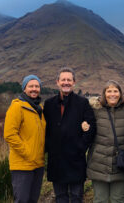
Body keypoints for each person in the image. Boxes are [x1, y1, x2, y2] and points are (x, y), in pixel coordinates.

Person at [44, 67, 96, 203]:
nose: (66, 82)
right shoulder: (49, 104)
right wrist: (49, 147)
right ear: (57, 82)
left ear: (74, 82)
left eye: (69, 80)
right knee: (60, 197)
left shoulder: (82, 103)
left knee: (76, 197)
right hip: (56, 160)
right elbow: (44, 130)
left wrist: (80, 147)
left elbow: (91, 128)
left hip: (76, 160)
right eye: (63, 80)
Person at [85, 80, 124, 203]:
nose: (112, 94)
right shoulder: (95, 110)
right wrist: (83, 125)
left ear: (120, 94)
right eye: (109, 91)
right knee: (100, 199)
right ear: (104, 94)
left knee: (118, 199)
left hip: (121, 165)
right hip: (98, 164)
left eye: (115, 91)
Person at [4, 74, 46, 203]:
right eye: (31, 86)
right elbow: (9, 135)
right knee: (22, 200)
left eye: (37, 86)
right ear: (24, 89)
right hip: (22, 165)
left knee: (33, 199)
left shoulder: (40, 109)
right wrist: (27, 153)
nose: (34, 89)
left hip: (38, 164)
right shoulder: (17, 107)